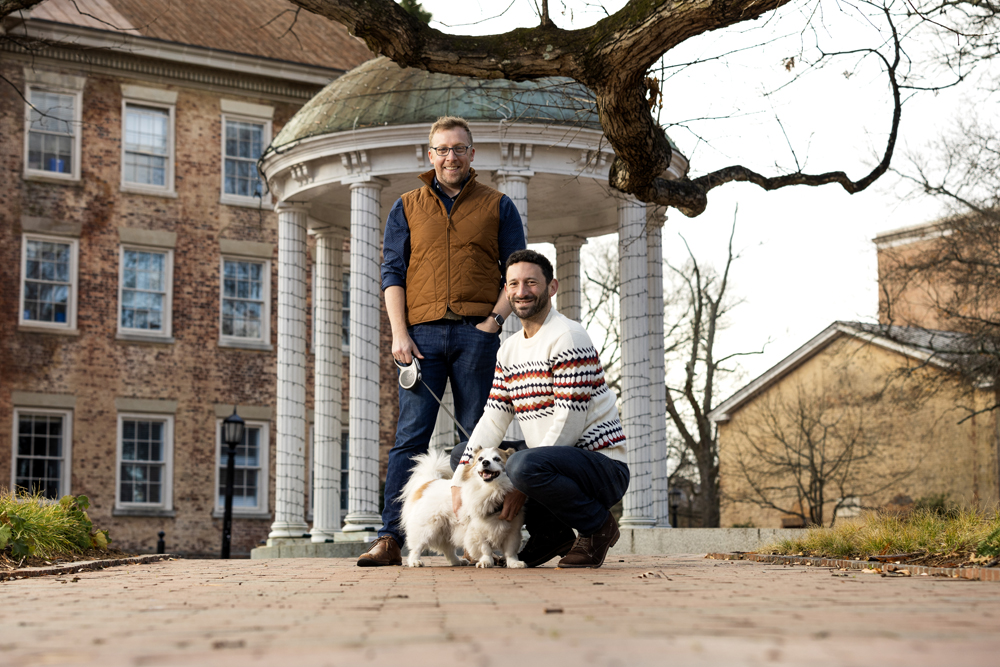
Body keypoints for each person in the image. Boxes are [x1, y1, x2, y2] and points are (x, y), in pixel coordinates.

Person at [357, 116, 526, 567]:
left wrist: (493, 322)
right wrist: (399, 333)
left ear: (473, 154)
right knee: (409, 437)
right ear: (430, 156)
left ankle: (477, 538)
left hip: (477, 334)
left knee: (479, 434)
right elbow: (392, 272)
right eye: (443, 149)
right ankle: (389, 537)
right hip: (421, 337)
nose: (451, 156)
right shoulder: (406, 206)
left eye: (460, 148)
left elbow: (516, 270)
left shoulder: (499, 205)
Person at [450, 249, 629, 568]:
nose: (522, 292)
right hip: (549, 461)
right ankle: (552, 534)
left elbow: (569, 423)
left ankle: (597, 527)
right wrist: (458, 480)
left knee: (521, 466)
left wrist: (521, 482)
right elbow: (494, 416)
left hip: (601, 467)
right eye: (514, 284)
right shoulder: (509, 350)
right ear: (506, 291)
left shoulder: (568, 337)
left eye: (531, 282)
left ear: (552, 287)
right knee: (467, 455)